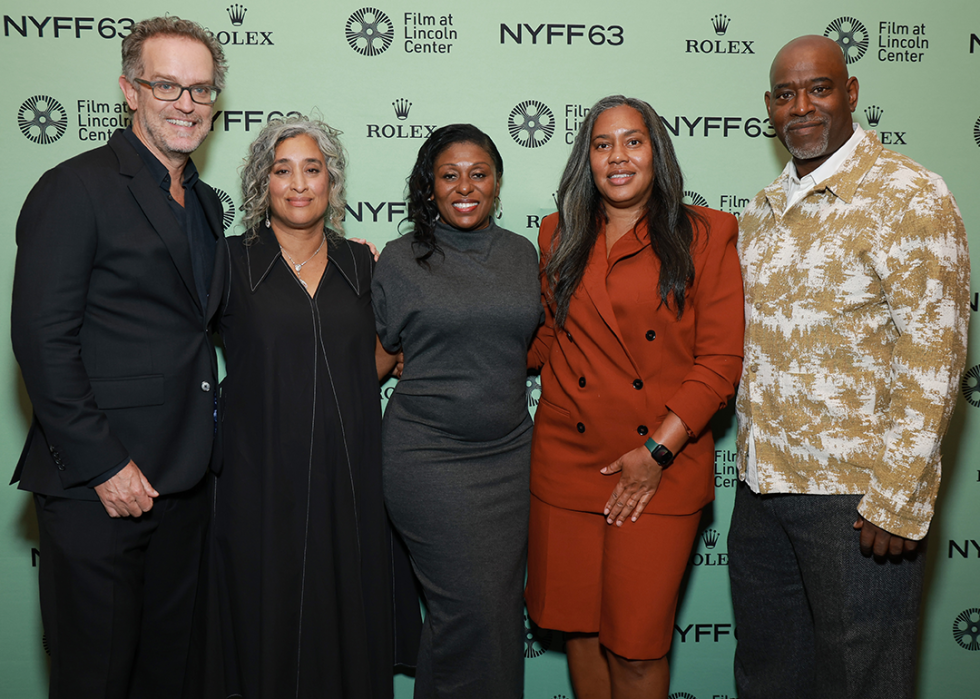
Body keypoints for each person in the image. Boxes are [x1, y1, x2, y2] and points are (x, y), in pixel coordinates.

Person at [730, 35, 970, 699]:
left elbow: (935, 353)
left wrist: (896, 497)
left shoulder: (909, 194)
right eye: (785, 94)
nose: (801, 106)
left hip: (857, 502)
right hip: (761, 488)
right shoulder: (759, 211)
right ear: (770, 108)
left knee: (862, 682)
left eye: (819, 88)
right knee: (767, 679)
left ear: (852, 93)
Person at [10, 16, 228, 699]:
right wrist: (105, 463)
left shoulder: (206, 203)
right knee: (96, 676)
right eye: (167, 85)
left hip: (184, 481)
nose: (186, 103)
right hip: (98, 487)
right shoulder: (74, 188)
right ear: (129, 91)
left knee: (170, 676)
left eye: (201, 89)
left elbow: (201, 318)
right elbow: (42, 339)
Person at [525, 95, 744, 699]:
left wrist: (657, 453)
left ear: (657, 152)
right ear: (586, 159)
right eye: (602, 144)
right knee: (581, 632)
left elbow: (721, 362)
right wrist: (446, 343)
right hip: (567, 465)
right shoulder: (559, 232)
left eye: (632, 141)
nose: (617, 157)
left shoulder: (705, 233)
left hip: (659, 467)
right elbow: (547, 335)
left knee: (637, 646)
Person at [206, 116, 416, 698]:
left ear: (332, 181)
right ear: (261, 184)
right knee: (262, 625)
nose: (299, 183)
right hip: (259, 479)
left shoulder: (365, 265)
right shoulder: (227, 262)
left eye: (313, 169)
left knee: (344, 625)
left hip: (348, 477)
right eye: (282, 170)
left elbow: (377, 358)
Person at [372, 124, 543, 698]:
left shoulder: (523, 255)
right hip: (428, 458)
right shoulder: (399, 261)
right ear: (429, 188)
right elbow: (372, 356)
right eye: (449, 175)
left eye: (479, 173)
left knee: (493, 610)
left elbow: (533, 346)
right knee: (467, 608)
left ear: (496, 182)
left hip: (510, 455)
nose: (465, 186)